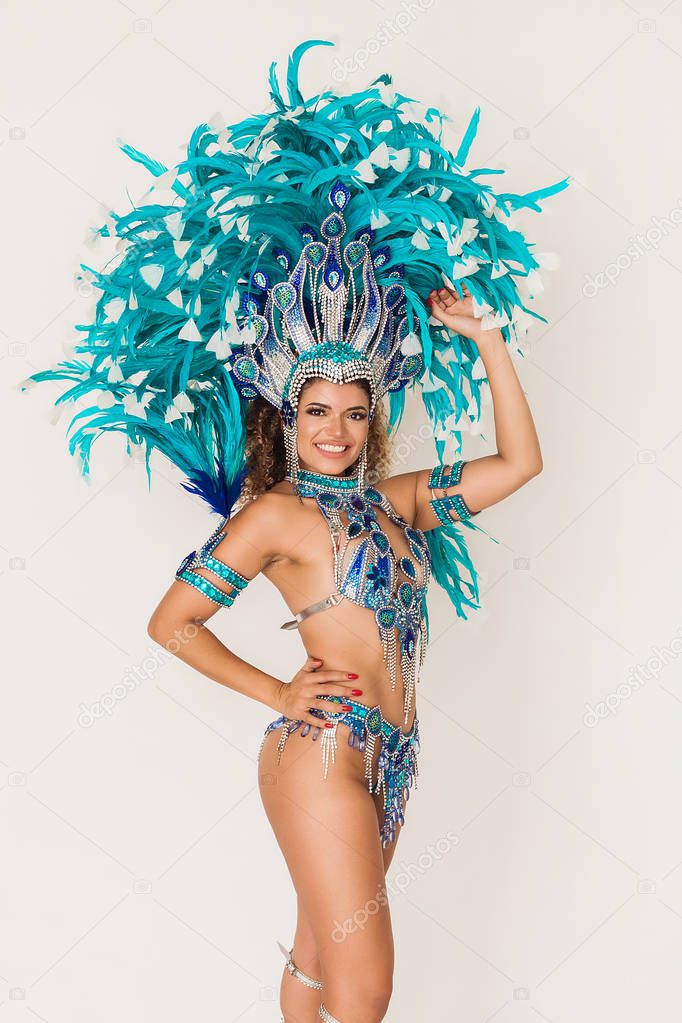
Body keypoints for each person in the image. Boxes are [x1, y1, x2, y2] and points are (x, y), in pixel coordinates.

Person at [21, 39, 566, 1023]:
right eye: (318, 411)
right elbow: (171, 622)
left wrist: (487, 342)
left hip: (396, 749)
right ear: (288, 413)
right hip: (324, 750)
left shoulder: (393, 504)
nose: (337, 428)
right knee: (366, 989)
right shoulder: (274, 516)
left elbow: (518, 466)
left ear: (371, 419)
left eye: (355, 412)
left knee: (320, 965)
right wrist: (277, 687)